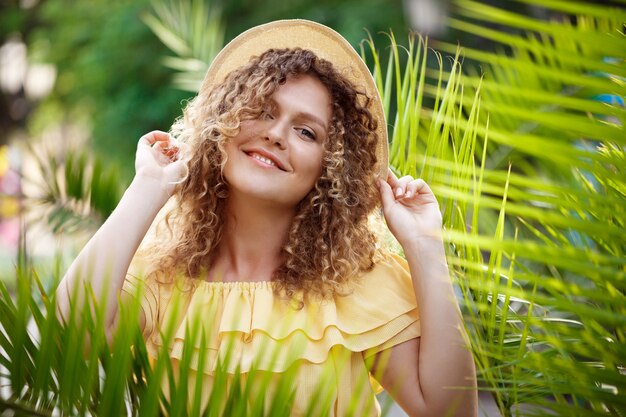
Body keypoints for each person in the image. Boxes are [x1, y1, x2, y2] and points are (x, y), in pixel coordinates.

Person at [57, 19, 477, 417]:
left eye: (306, 131)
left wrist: (424, 244)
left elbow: (450, 410)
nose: (276, 134)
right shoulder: (165, 271)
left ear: (329, 168)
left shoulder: (354, 280)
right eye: (263, 110)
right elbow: (76, 332)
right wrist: (148, 186)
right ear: (224, 122)